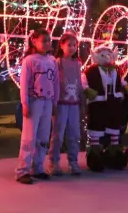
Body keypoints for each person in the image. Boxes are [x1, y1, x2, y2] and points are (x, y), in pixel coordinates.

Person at [15, 29, 59, 184]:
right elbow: (24, 84)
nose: (47, 43)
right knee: (29, 137)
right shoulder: (29, 60)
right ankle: (22, 170)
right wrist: (25, 104)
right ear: (34, 41)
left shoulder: (52, 60)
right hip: (34, 102)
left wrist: (55, 102)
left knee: (43, 136)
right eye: (43, 40)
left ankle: (38, 167)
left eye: (49, 40)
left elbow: (55, 83)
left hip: (48, 102)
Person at [47, 32, 83, 176]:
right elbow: (53, 82)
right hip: (61, 103)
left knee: (74, 134)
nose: (72, 47)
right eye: (69, 45)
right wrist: (53, 102)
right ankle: (53, 162)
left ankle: (73, 161)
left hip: (74, 103)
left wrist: (82, 99)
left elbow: (79, 83)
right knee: (58, 134)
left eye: (75, 45)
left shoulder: (77, 63)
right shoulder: (57, 62)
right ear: (61, 45)